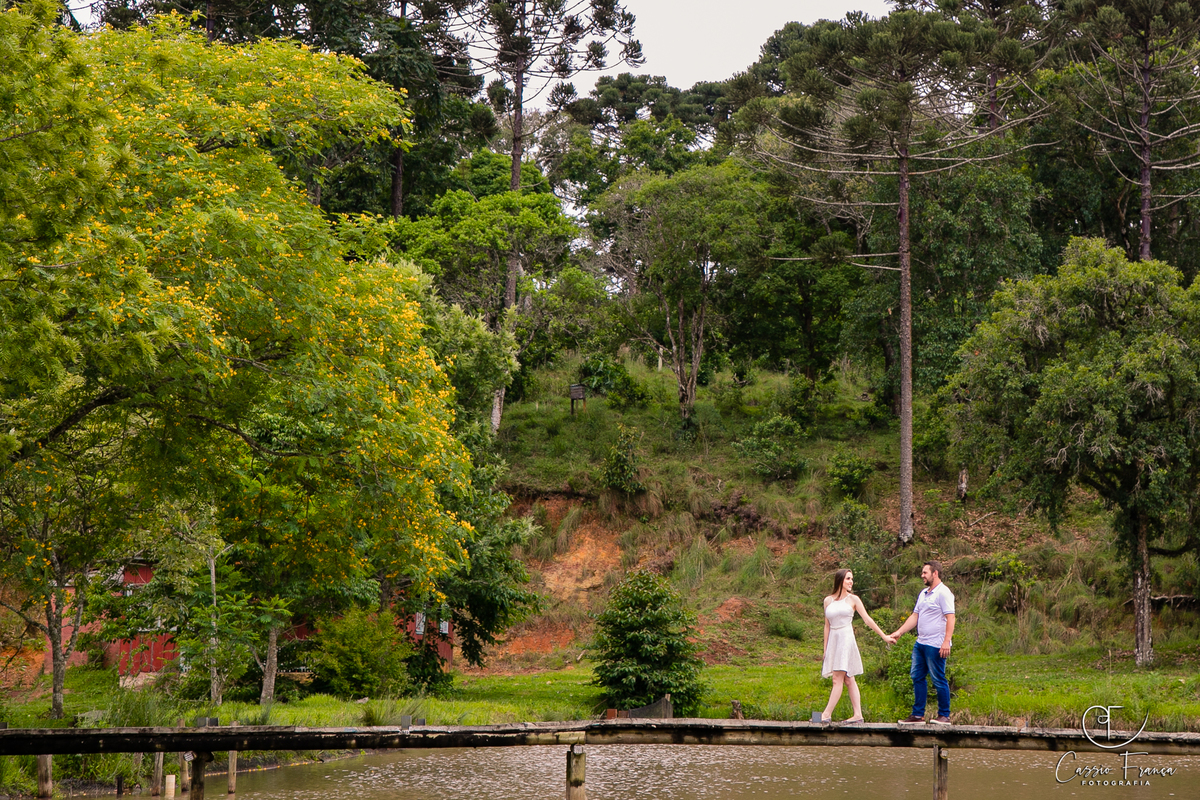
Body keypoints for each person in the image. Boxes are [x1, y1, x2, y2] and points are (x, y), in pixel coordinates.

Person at [820, 568, 895, 723]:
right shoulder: (828, 600)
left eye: (852, 579)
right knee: (848, 679)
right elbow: (827, 626)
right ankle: (858, 714)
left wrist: (884, 636)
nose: (851, 582)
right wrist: (825, 649)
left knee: (837, 678)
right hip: (834, 638)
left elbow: (867, 619)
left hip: (846, 638)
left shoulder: (853, 599)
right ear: (840, 580)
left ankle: (826, 715)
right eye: (848, 578)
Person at [889, 560, 956, 725]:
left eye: (925, 572)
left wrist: (946, 641)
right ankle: (917, 715)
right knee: (917, 676)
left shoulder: (944, 593)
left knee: (938, 678)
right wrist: (899, 632)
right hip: (921, 643)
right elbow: (915, 616)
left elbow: (951, 617)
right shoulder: (924, 593)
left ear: (935, 573)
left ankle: (944, 715)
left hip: (936, 644)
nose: (922, 575)